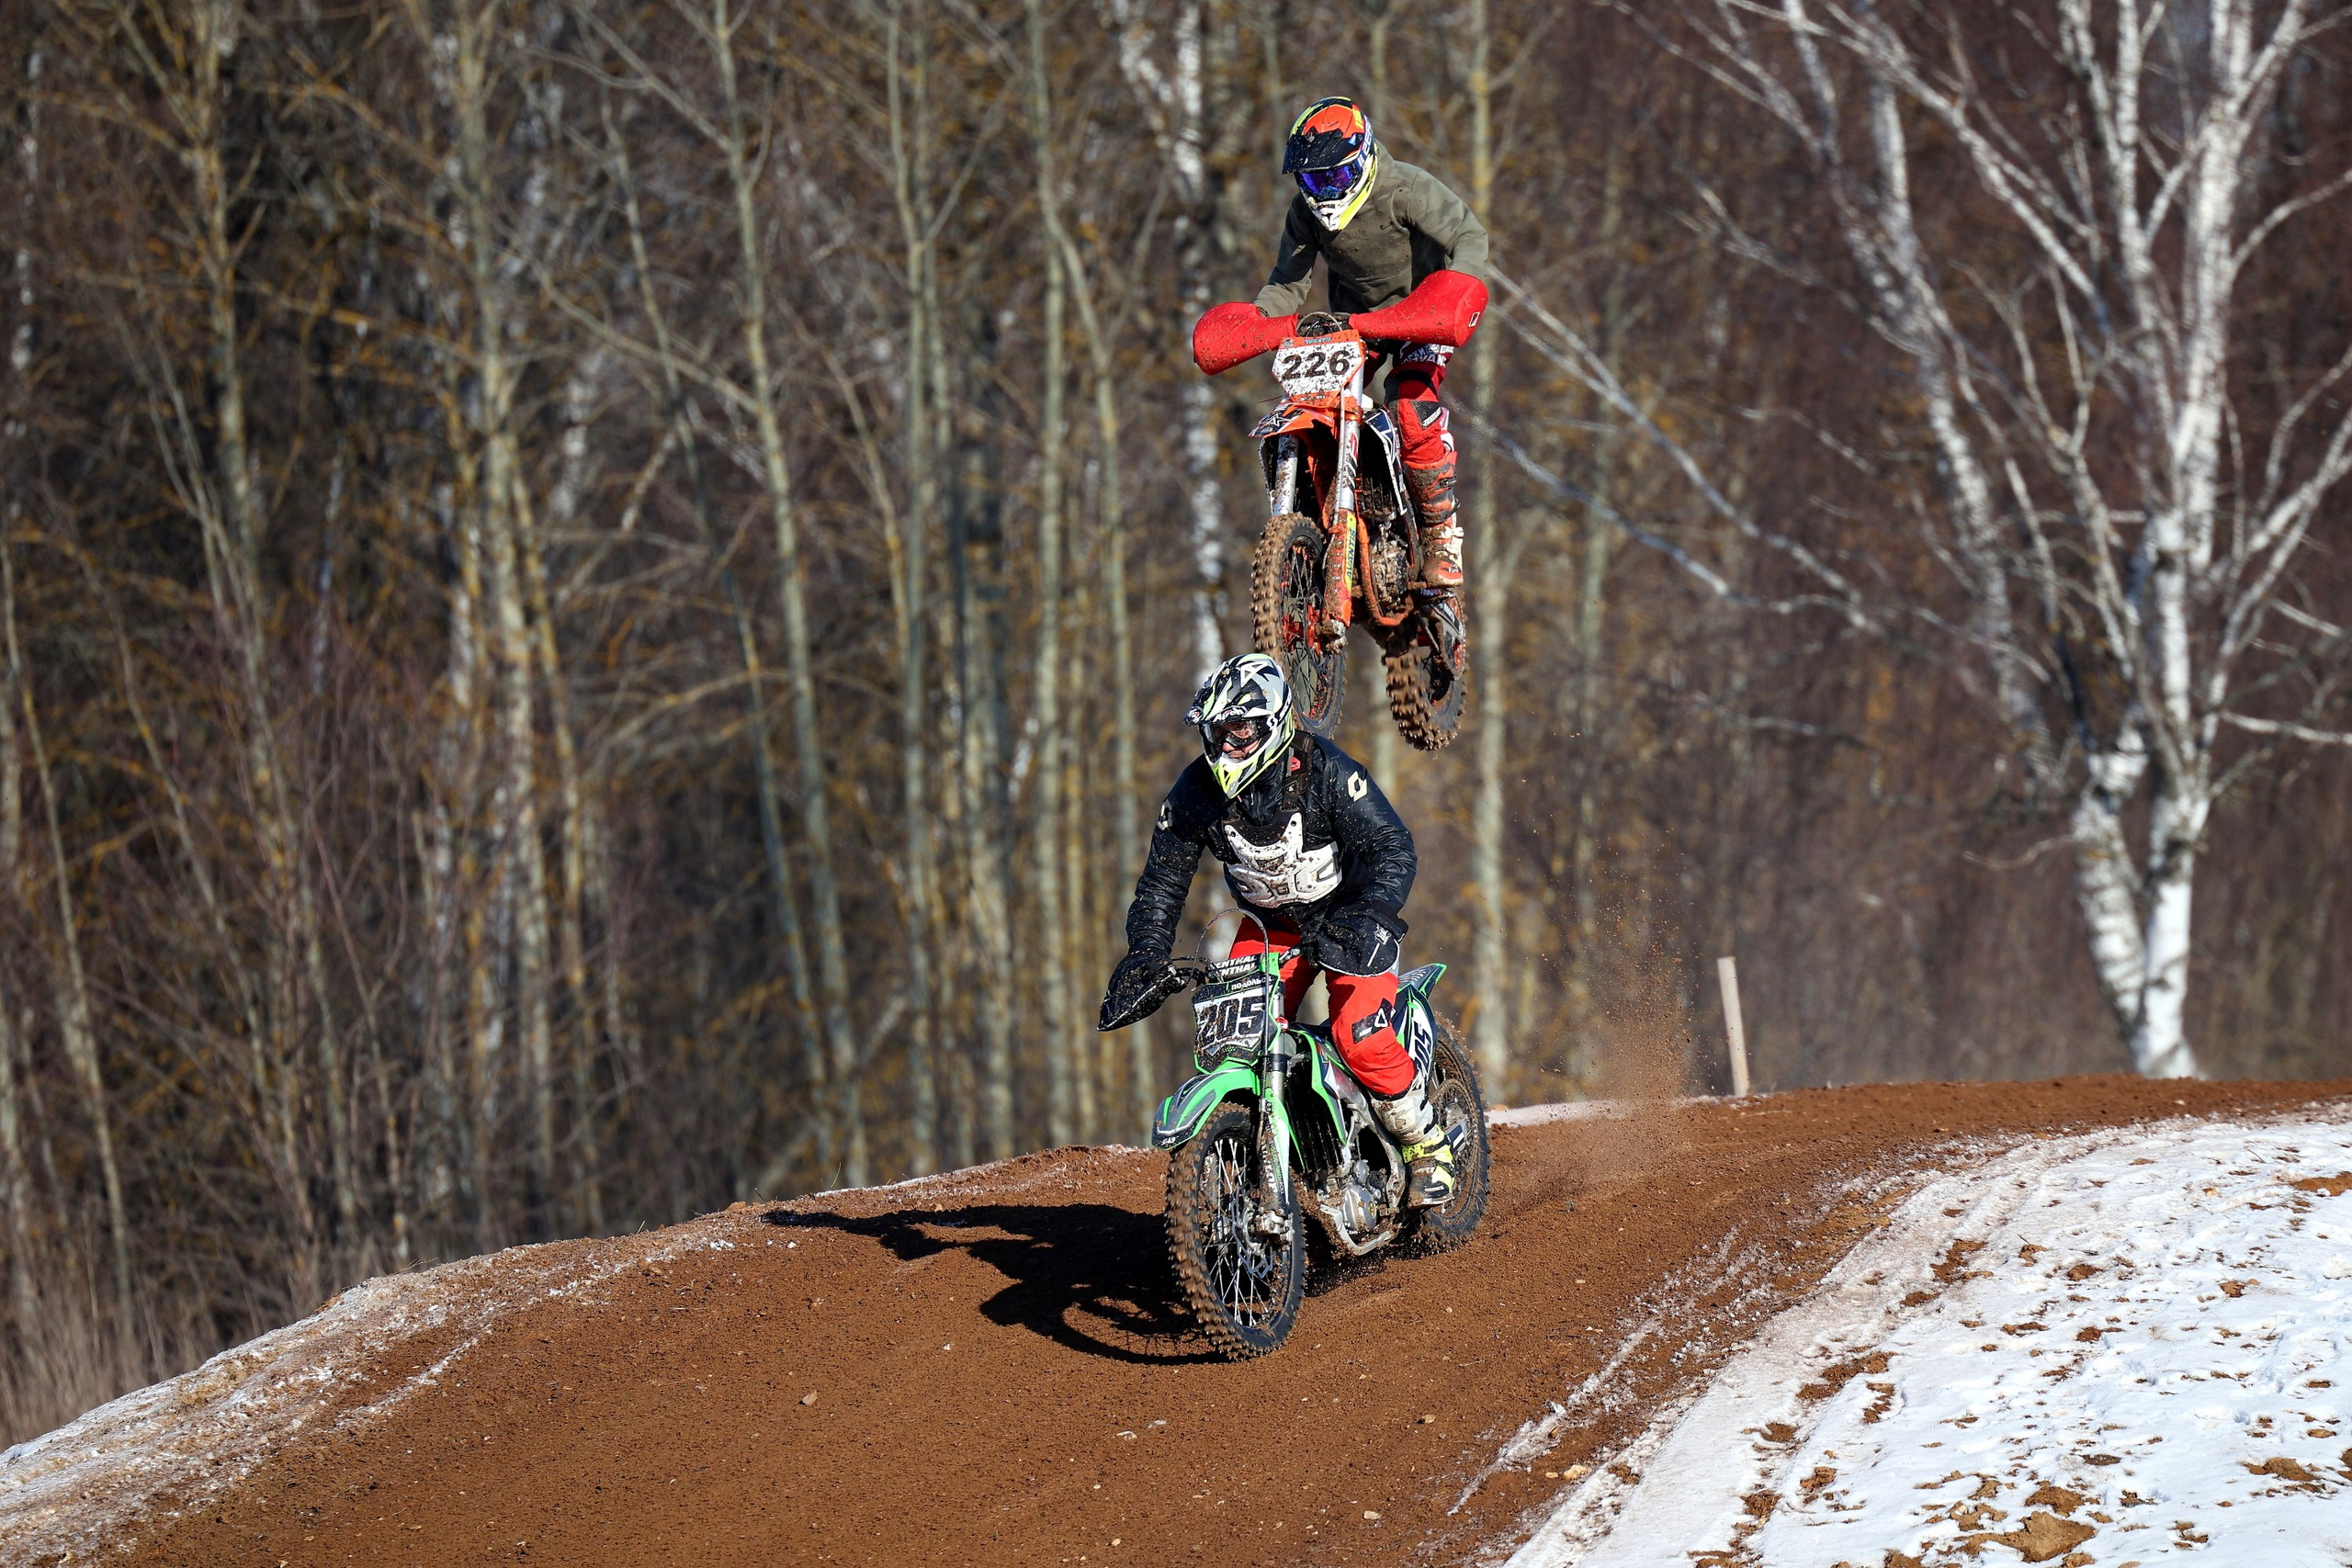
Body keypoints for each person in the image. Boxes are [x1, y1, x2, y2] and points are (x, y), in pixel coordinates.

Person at [1097, 652, 1455, 1206]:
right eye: (1218, 732)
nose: (1226, 747)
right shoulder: (1196, 791)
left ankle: (1426, 1145)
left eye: (1240, 732)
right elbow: (1163, 881)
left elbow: (1392, 846)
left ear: (1272, 725)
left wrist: (1374, 914)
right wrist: (1146, 952)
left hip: (1350, 916)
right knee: (1233, 1047)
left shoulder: (1327, 771)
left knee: (1358, 1032)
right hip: (1271, 928)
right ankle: (1276, 1167)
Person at [1258, 96, 1490, 592]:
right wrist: (1258, 322)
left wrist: (1454, 291)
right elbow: (1286, 282)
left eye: (1331, 178)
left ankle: (1440, 538)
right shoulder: (1306, 213)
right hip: (1355, 324)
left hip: (1420, 315)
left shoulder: (1403, 187)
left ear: (1361, 158)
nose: (1321, 192)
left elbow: (1468, 234)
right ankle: (1317, 521)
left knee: (1410, 407)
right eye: (1311, 180)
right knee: (1306, 399)